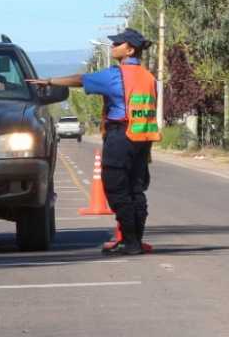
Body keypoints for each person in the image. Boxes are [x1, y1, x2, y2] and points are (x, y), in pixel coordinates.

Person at [27, 28, 160, 255]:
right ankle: (135, 239)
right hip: (142, 139)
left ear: (130, 49)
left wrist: (49, 80)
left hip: (121, 137)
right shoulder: (148, 77)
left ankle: (131, 242)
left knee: (117, 190)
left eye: (117, 44)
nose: (113, 46)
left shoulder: (117, 76)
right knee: (135, 190)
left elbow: (81, 79)